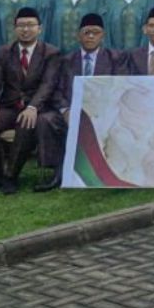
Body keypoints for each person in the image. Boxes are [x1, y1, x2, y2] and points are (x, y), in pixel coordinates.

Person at [0, 7, 60, 194]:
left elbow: (48, 84)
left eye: (30, 25)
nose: (25, 29)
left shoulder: (51, 53)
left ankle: (11, 176)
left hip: (37, 107)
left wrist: (32, 107)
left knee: (26, 124)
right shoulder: (4, 52)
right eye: (21, 25)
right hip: (10, 106)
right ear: (15, 28)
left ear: (39, 28)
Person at [38, 13, 121, 191]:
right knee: (46, 120)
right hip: (71, 112)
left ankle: (109, 172)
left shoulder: (115, 59)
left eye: (95, 32)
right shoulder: (65, 61)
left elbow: (119, 88)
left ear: (103, 35)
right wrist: (66, 110)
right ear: (78, 35)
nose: (90, 36)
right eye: (86, 32)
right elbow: (56, 90)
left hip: (102, 112)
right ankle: (57, 172)